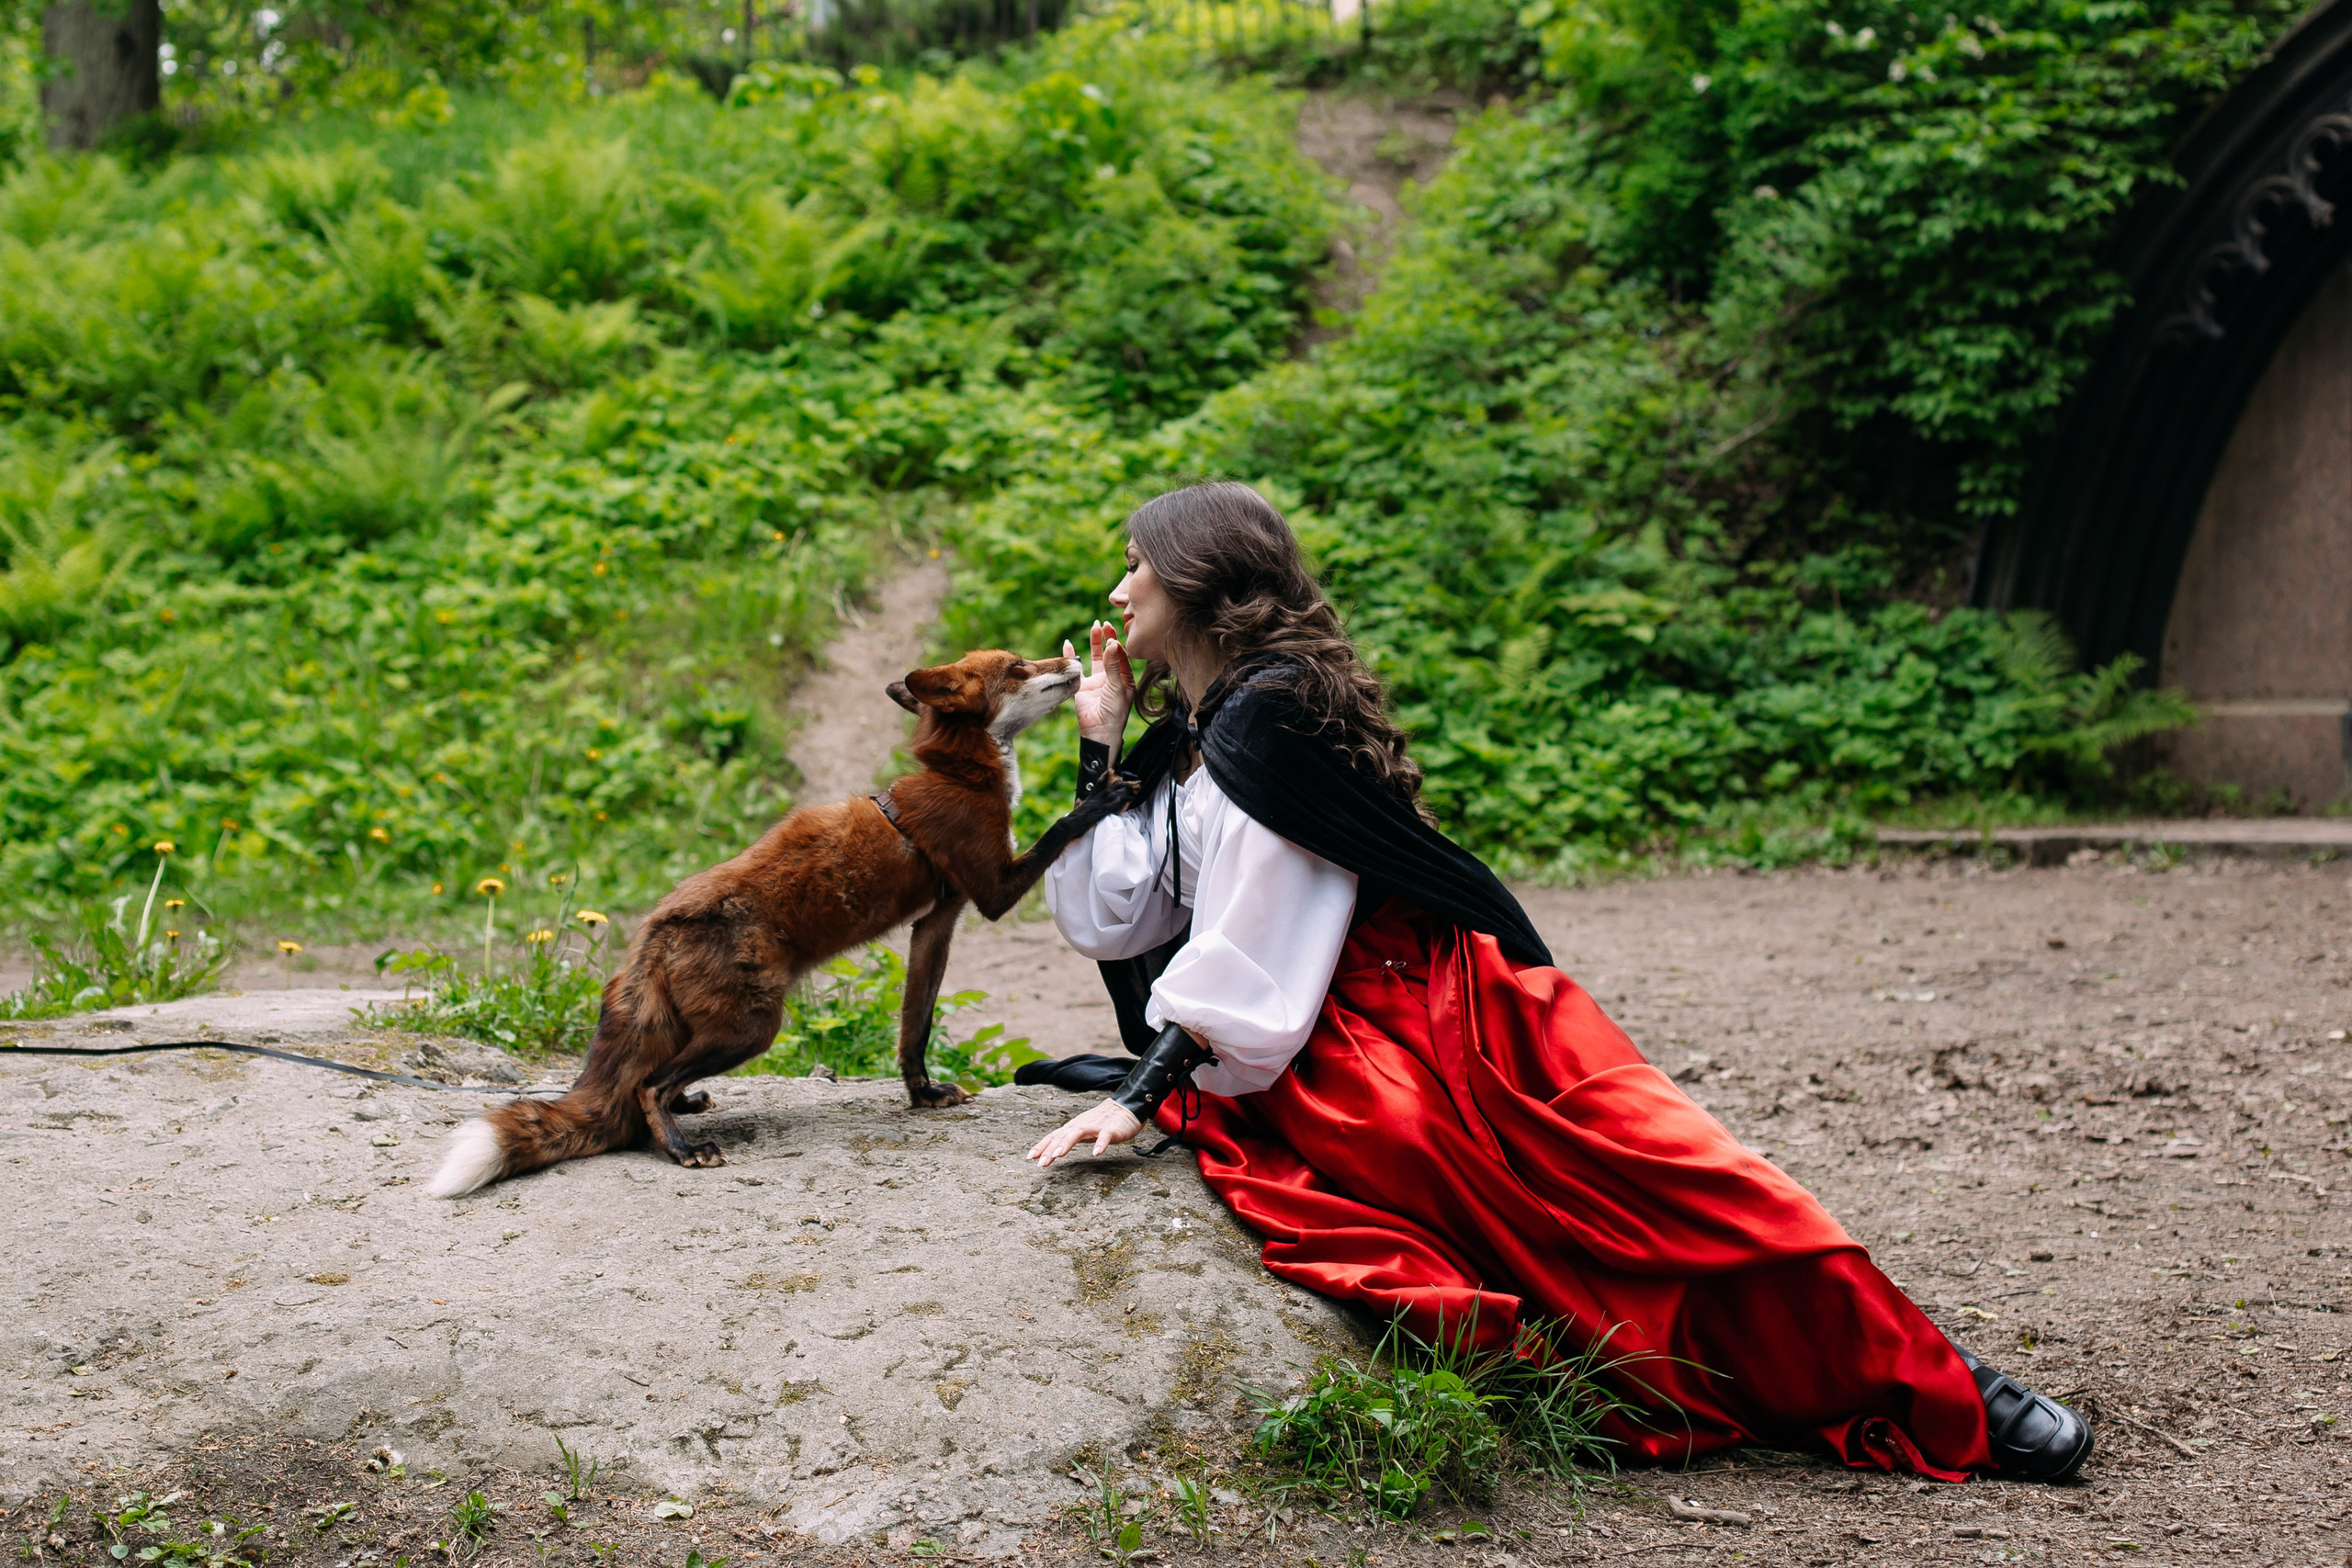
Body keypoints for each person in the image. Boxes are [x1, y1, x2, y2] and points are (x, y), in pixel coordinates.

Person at [1017, 480, 2091, 1483]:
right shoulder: (1196, 729)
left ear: (1196, 577)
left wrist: (1143, 1091)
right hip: (1312, 1027)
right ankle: (1797, 1376)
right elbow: (1113, 914)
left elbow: (1258, 931)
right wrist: (1098, 744)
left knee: (1669, 1175)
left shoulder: (1272, 713)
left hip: (1426, 1005)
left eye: (1135, 566)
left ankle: (1950, 1383)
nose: (1118, 591)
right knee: (1533, 1229)